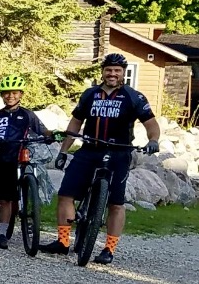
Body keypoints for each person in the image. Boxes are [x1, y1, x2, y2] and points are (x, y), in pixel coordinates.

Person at [41, 53, 160, 265]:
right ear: (103, 72)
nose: (112, 74)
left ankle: (108, 249)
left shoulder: (134, 96)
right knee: (66, 195)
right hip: (89, 149)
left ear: (123, 73)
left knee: (116, 203)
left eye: (117, 70)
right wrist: (63, 151)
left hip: (118, 152)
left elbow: (151, 123)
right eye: (108, 70)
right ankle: (63, 242)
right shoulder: (90, 95)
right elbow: (75, 123)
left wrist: (153, 140)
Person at [0, 74, 51, 249]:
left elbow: (42, 130)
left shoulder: (27, 115)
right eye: (7, 93)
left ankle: (2, 234)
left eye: (14, 93)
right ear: (2, 95)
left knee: (6, 199)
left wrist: (52, 135)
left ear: (21, 94)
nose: (10, 96)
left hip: (13, 160)